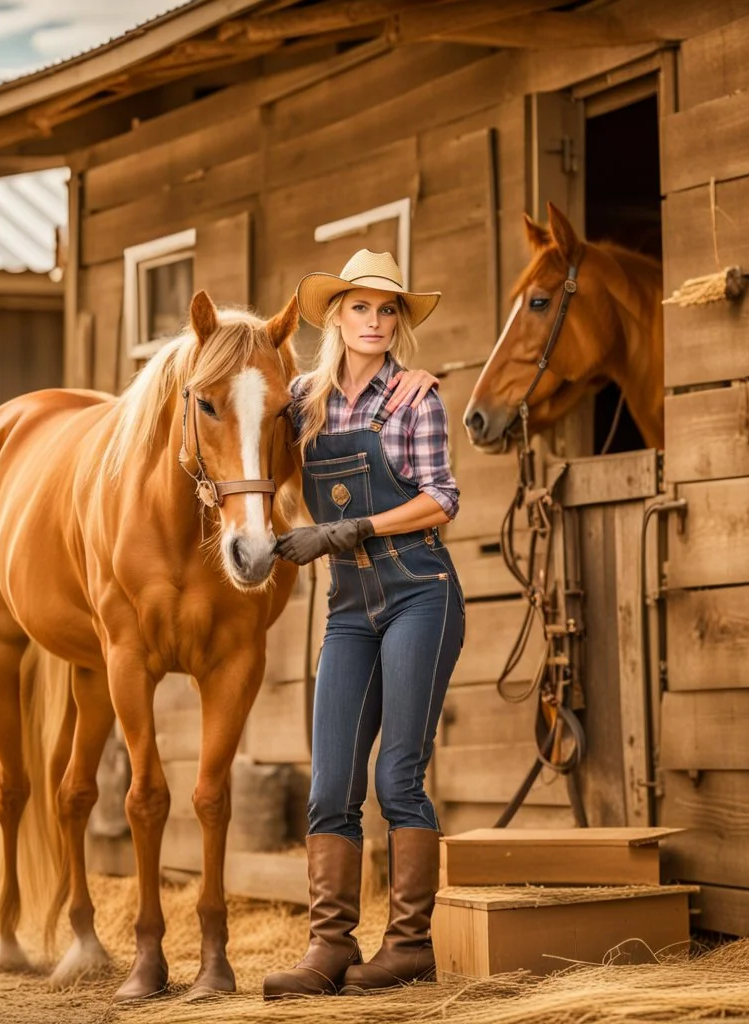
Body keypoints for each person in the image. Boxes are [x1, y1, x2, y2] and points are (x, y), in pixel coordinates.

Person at [263, 249, 464, 999]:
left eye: (388, 311)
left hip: (420, 591)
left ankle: (409, 945)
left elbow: (441, 498)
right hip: (349, 608)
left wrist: (349, 531)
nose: (375, 322)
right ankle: (329, 946)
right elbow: (257, 462)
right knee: (332, 783)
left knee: (397, 776)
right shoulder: (302, 400)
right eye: (361, 309)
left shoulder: (415, 396)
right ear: (335, 318)